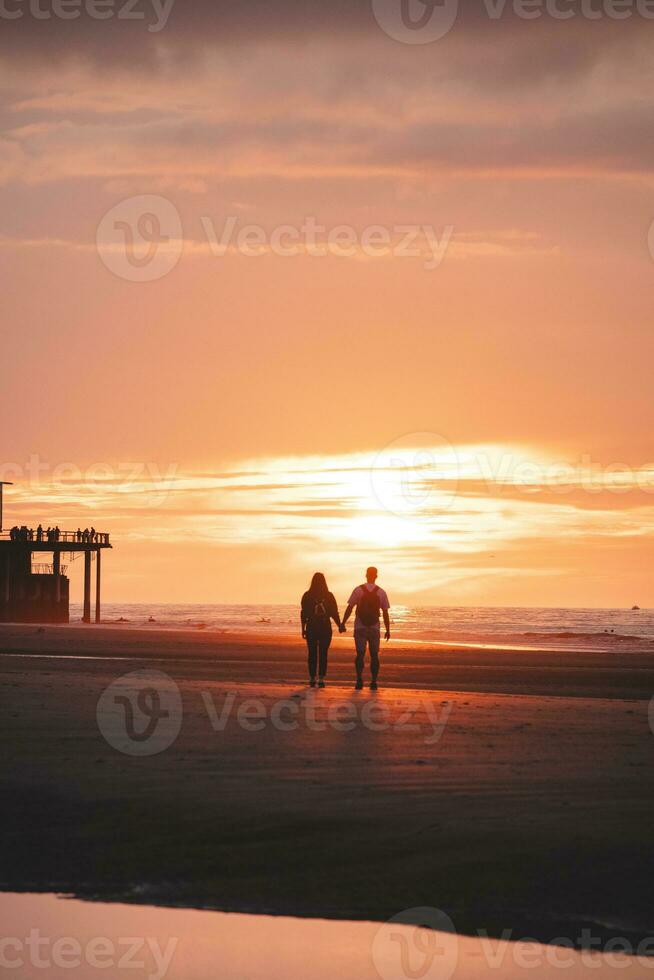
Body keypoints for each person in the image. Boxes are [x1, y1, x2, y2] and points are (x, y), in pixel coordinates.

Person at [342, 566, 391, 691]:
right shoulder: (381, 592)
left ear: (366, 575)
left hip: (360, 627)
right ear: (376, 576)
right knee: (374, 655)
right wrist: (387, 629)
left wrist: (343, 623)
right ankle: (374, 682)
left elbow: (350, 608)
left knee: (360, 654)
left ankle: (359, 680)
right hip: (374, 627)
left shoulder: (358, 590)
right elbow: (385, 612)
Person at [300, 572, 343, 688]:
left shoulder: (307, 595)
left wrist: (302, 629)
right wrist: (340, 625)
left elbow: (303, 614)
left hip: (311, 626)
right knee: (323, 653)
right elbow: (334, 612)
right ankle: (321, 679)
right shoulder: (329, 596)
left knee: (312, 653)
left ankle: (312, 678)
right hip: (325, 627)